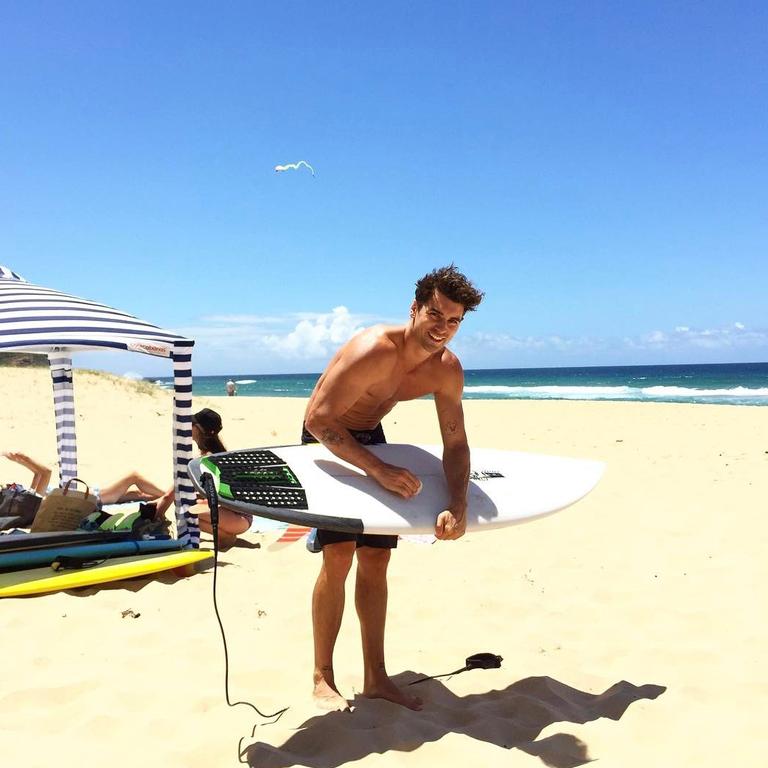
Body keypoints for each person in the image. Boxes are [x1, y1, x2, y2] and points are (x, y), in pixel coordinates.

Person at [302, 264, 484, 712]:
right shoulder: (373, 350)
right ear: (415, 308)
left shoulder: (446, 370)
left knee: (378, 558)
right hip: (328, 440)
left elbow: (456, 442)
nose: (442, 329)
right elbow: (317, 420)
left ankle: (376, 677)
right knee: (340, 554)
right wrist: (378, 470)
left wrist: (458, 502)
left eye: (453, 321)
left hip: (371, 440)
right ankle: (322, 676)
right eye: (436, 316)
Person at [156, 407, 252, 547]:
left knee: (185, 508)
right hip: (240, 517)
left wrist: (156, 518)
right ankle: (225, 534)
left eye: (192, 424)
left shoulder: (203, 460)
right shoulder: (215, 453)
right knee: (191, 505)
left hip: (239, 518)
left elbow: (171, 494)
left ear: (200, 430)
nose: (189, 426)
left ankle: (226, 536)